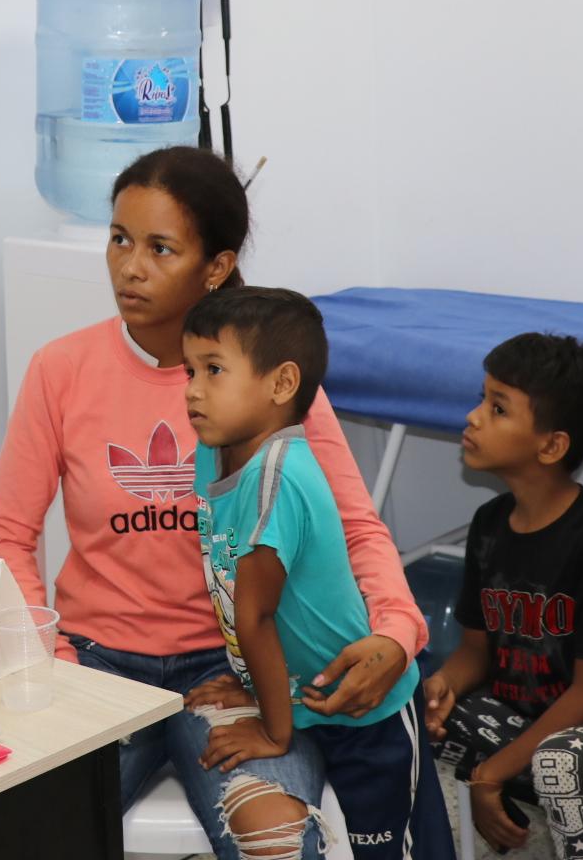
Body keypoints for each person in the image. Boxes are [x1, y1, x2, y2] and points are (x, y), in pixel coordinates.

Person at [0, 147, 426, 859]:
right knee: (16, 833)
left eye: (161, 248)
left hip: (235, 668)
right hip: (95, 664)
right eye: (120, 239)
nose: (130, 266)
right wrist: (49, 658)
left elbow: (355, 527)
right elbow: (6, 536)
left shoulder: (267, 384)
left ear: (214, 267)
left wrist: (398, 631)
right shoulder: (60, 370)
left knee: (276, 841)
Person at [185, 287, 456, 860]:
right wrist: (254, 682)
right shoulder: (214, 450)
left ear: (282, 384)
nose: (192, 389)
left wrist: (272, 733)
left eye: (213, 370)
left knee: (391, 848)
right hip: (300, 693)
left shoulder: (275, 478)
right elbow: (239, 590)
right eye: (190, 370)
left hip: (364, 714)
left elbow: (254, 615)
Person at [420, 333, 583, 857]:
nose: (474, 416)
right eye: (482, 399)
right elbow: (474, 652)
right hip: (521, 717)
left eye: (498, 408)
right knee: (408, 710)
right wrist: (442, 685)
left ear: (551, 445)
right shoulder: (488, 524)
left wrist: (490, 775)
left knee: (559, 764)